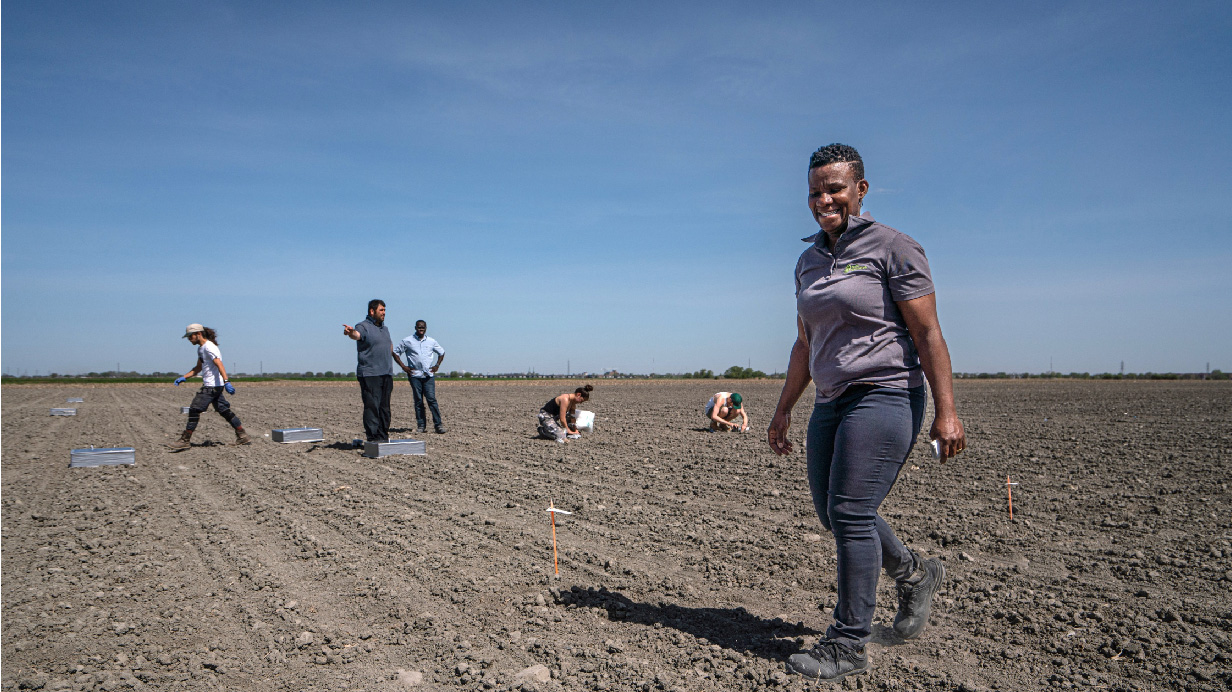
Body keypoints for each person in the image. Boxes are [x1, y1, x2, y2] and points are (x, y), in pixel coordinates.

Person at [766, 144, 967, 682]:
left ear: (861, 190)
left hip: (886, 392)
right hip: (830, 400)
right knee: (833, 514)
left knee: (852, 512)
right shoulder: (808, 260)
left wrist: (946, 412)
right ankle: (915, 574)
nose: (823, 199)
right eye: (815, 191)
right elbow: (805, 344)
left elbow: (928, 333)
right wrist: (784, 408)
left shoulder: (893, 247)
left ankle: (848, 643)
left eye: (834, 188)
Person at [170, 324, 250, 448]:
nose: (189, 339)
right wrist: (184, 377)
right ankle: (242, 435)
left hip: (211, 386)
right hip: (215, 386)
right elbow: (197, 368)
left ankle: (185, 440)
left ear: (198, 334)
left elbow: (219, 364)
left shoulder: (209, 347)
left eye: (190, 336)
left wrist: (227, 381)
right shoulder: (201, 349)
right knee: (224, 411)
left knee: (194, 409)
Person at [343, 299, 395, 443]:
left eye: (385, 310)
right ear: (372, 311)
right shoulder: (363, 326)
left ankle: (383, 437)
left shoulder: (385, 329)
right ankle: (373, 438)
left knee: (385, 408)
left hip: (386, 373)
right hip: (370, 374)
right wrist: (351, 332)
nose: (384, 313)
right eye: (381, 310)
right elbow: (357, 335)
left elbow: (389, 346)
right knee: (372, 407)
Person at [393, 320, 446, 434]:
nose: (421, 329)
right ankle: (421, 425)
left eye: (423, 327)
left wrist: (437, 365)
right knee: (418, 401)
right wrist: (403, 367)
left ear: (426, 328)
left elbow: (441, 352)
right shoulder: (407, 341)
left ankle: (438, 425)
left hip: (428, 376)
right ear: (415, 328)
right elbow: (395, 353)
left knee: (431, 400)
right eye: (419, 327)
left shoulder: (431, 341)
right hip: (414, 375)